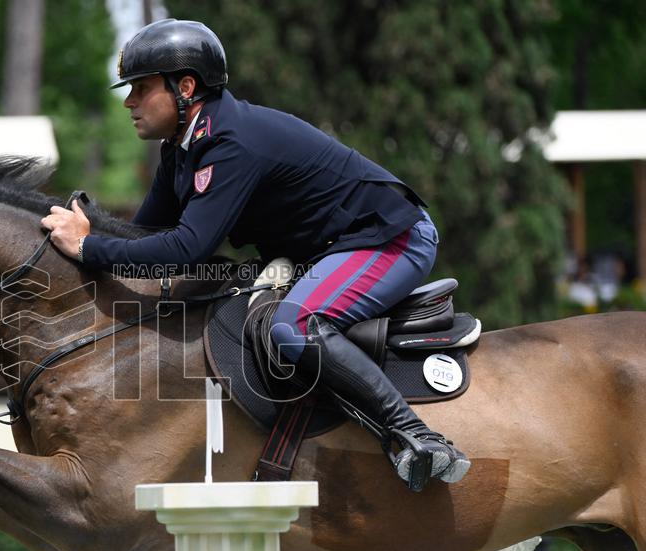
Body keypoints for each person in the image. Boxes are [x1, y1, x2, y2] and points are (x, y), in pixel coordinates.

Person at [40, 18, 469, 489]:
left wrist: (86, 246)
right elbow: (146, 234)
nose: (129, 103)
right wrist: (91, 228)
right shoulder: (181, 148)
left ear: (185, 88)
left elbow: (185, 250)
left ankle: (415, 436)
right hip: (331, 248)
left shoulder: (230, 143)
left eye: (141, 88)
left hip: (389, 239)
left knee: (293, 327)